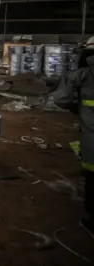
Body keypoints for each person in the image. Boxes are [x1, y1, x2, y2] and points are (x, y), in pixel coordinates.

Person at [53, 36, 94, 238]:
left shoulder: (82, 75)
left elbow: (61, 98)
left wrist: (75, 106)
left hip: (92, 138)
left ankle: (92, 220)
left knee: (92, 178)